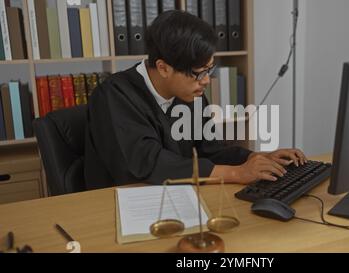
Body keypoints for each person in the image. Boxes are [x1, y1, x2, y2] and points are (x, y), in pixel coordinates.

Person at [84, 10, 307, 190]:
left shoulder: (190, 92)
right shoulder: (114, 96)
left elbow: (211, 150)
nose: (207, 81)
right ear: (164, 68)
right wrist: (236, 173)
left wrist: (257, 158)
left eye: (209, 70)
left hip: (179, 197)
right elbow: (148, 164)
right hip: (122, 205)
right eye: (199, 72)